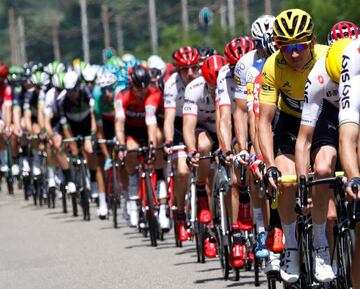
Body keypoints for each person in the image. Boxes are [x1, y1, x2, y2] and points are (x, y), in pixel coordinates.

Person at [258, 8, 328, 283]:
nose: (293, 53)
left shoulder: (327, 58)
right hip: (289, 123)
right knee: (285, 183)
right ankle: (290, 245)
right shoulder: (273, 65)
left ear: (311, 41)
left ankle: (325, 247)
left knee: (325, 177)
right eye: (285, 47)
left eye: (299, 46)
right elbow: (263, 122)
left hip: (323, 121)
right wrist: (269, 165)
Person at [115, 64, 165, 228]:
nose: (141, 92)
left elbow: (151, 121)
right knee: (130, 149)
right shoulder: (122, 96)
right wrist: (121, 145)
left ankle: (159, 176)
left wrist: (152, 146)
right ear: (131, 85)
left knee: (158, 138)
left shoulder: (153, 94)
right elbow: (119, 124)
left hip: (148, 128)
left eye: (144, 88)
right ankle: (133, 185)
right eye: (138, 89)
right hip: (132, 130)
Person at [163, 47, 200, 241]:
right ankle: (179, 212)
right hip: (178, 124)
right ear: (178, 69)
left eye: (194, 67)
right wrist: (169, 141)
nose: (190, 73)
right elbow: (169, 119)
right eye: (185, 69)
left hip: (198, 122)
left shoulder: (203, 80)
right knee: (183, 171)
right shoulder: (171, 85)